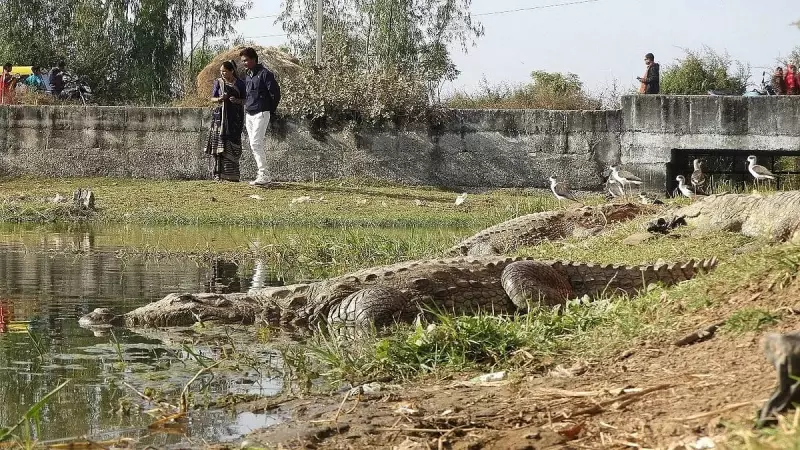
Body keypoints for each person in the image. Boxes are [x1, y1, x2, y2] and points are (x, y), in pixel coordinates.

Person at [239, 47, 281, 186]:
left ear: (253, 59)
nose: (244, 63)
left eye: (246, 60)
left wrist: (270, 109)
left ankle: (264, 174)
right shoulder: (248, 75)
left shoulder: (265, 74)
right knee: (254, 144)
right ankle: (262, 173)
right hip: (249, 113)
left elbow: (275, 94)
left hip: (261, 112)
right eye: (242, 61)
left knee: (256, 143)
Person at [205, 60, 246, 182]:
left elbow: (245, 100)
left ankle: (232, 176)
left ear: (231, 71)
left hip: (234, 120)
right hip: (219, 118)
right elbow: (212, 98)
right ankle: (219, 175)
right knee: (219, 145)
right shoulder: (218, 83)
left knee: (232, 144)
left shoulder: (240, 84)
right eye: (221, 71)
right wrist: (219, 99)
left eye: (225, 71)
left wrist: (236, 101)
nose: (222, 73)